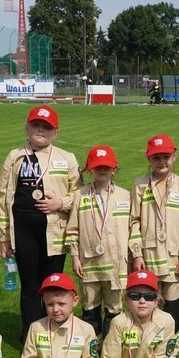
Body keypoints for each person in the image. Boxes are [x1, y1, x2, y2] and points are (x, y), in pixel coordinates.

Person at [0, 106, 81, 343]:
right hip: (24, 232)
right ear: (27, 127)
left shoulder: (67, 158)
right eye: (36, 125)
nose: (41, 130)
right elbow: (4, 198)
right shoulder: (15, 157)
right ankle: (30, 336)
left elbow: (80, 194)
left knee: (53, 285)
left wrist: (60, 203)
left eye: (47, 127)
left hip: (54, 232)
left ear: (56, 132)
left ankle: (53, 333)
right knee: (30, 287)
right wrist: (4, 237)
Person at [129, 134, 179, 345]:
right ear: (149, 159)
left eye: (166, 157)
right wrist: (137, 254)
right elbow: (134, 221)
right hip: (149, 255)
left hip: (173, 256)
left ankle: (171, 345)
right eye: (156, 158)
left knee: (172, 303)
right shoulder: (139, 186)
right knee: (149, 302)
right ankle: (148, 341)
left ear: (174, 156)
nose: (162, 162)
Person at [66, 144, 132, 337]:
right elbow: (72, 229)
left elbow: (132, 228)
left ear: (114, 169)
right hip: (89, 263)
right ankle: (91, 348)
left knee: (114, 309)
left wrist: (132, 256)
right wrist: (75, 257)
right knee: (90, 309)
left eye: (106, 166)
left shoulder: (125, 195)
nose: (102, 169)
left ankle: (111, 347)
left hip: (117, 263)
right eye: (97, 166)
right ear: (90, 169)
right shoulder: (80, 195)